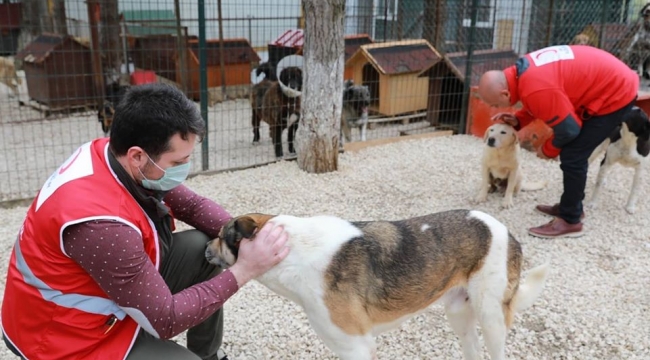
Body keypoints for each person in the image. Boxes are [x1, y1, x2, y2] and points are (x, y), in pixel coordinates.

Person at [1, 83, 290, 360]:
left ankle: (207, 354)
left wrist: (239, 234)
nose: (184, 169)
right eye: (177, 163)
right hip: (66, 335)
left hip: (102, 290)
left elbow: (190, 204)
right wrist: (245, 269)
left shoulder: (113, 155)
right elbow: (166, 320)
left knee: (208, 251)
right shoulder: (102, 227)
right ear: (138, 156)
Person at [477, 44, 639, 239]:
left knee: (573, 154)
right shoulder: (523, 72)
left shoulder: (535, 87)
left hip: (616, 93)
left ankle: (571, 220)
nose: (496, 108)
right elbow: (542, 99)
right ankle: (572, 207)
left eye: (495, 104)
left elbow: (569, 130)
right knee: (574, 151)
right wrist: (520, 120)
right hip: (611, 80)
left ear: (505, 94)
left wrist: (548, 149)